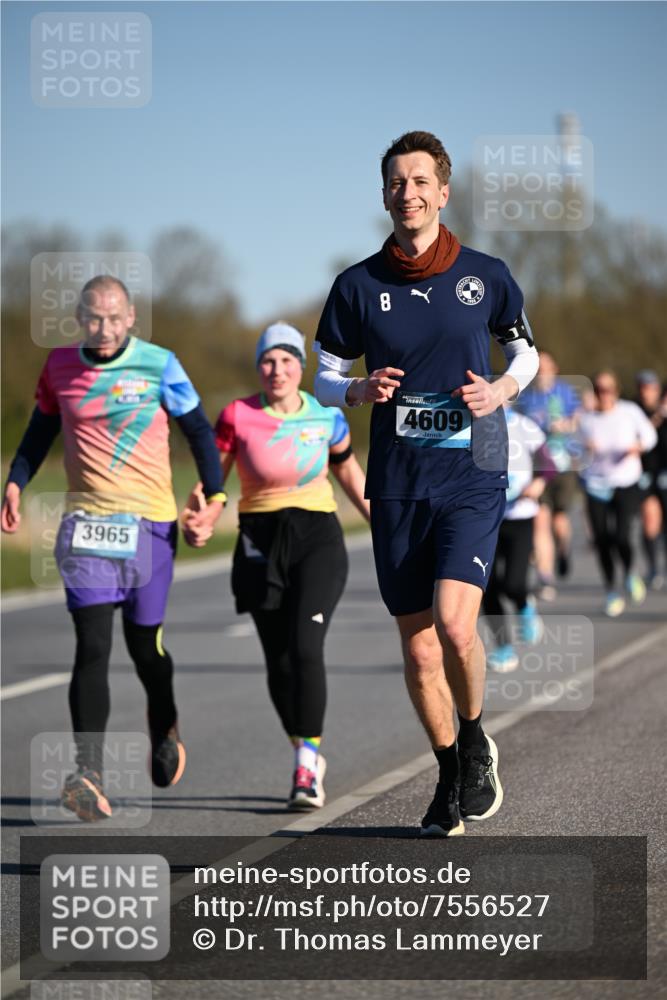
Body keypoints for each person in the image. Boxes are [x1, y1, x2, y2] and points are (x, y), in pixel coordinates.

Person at [313, 131, 539, 836]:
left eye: (419, 182)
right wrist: (355, 389)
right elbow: (322, 376)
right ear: (383, 195)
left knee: (451, 625)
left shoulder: (486, 274)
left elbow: (526, 351)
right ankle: (449, 768)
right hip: (399, 481)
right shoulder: (357, 285)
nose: (405, 193)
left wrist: (500, 388)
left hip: (473, 471)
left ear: (442, 193)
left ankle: (474, 739)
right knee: (416, 651)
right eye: (394, 183)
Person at [1, 276, 224, 822]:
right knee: (92, 646)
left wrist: (214, 496)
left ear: (131, 320)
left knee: (146, 648)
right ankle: (88, 772)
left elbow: (198, 431)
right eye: (93, 318)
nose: (103, 329)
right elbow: (39, 431)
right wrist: (15, 481)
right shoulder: (59, 367)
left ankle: (164, 726)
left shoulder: (160, 364)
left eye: (113, 318)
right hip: (85, 525)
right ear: (79, 318)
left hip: (149, 524)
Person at [186, 322, 370, 809]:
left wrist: (381, 518)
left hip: (317, 537)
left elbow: (347, 468)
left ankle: (306, 766)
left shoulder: (325, 415)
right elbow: (213, 479)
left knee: (306, 646)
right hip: (258, 540)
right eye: (269, 361)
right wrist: (202, 514)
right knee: (279, 660)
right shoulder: (236, 416)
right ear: (259, 367)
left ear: (300, 366)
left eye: (287, 360)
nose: (278, 370)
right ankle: (301, 744)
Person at [579, 370, 657, 617]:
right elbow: (570, 449)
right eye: (599, 390)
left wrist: (638, 447)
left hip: (626, 481)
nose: (604, 395)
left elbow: (649, 436)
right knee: (602, 540)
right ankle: (611, 591)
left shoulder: (629, 411)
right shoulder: (586, 418)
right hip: (595, 484)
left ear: (616, 391)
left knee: (622, 536)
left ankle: (630, 572)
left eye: (608, 389)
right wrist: (584, 447)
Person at [483, 405, 554, 672]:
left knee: (513, 584)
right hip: (483, 519)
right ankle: (503, 648)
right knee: (486, 587)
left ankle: (524, 605)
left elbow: (548, 463)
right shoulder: (471, 425)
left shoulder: (524, 425)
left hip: (520, 516)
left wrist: (538, 483)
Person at [515, 350, 582, 600]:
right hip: (538, 467)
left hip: (563, 464)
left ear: (554, 368)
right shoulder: (527, 398)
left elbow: (578, 418)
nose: (542, 371)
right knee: (540, 521)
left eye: (546, 366)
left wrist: (565, 425)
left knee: (559, 522)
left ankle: (564, 550)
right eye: (538, 367)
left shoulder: (565, 392)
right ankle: (546, 578)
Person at [635, 370, 667, 589]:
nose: (647, 393)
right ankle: (653, 567)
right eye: (643, 388)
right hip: (645, 473)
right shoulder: (635, 411)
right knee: (650, 519)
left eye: (651, 388)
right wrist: (658, 416)